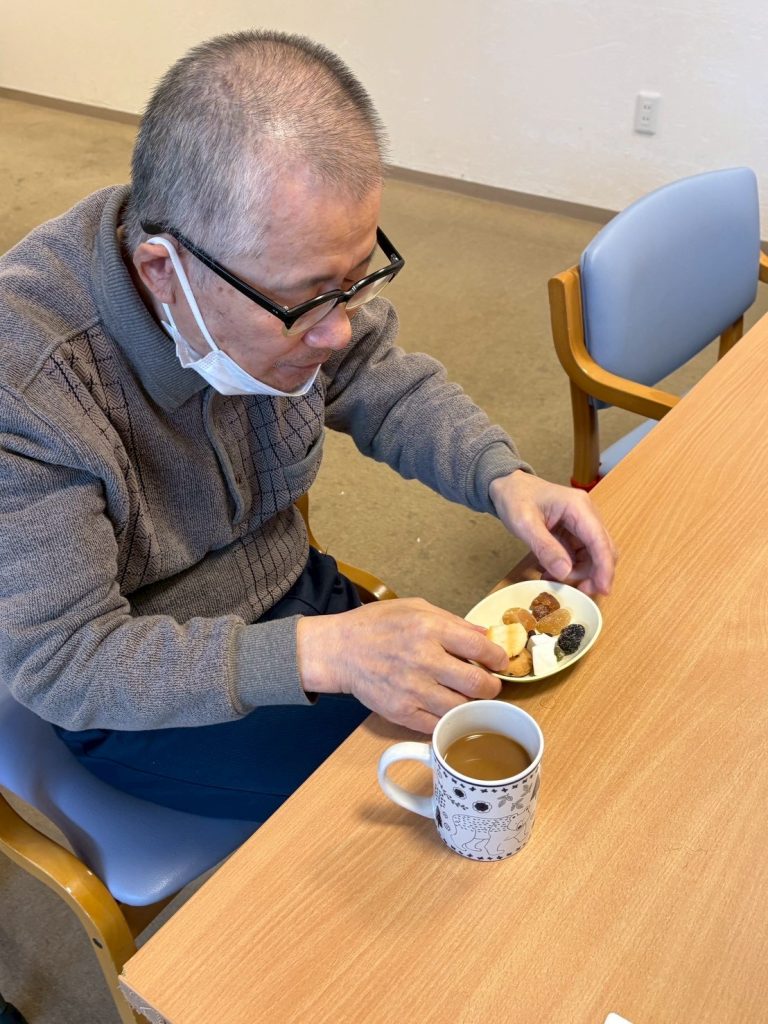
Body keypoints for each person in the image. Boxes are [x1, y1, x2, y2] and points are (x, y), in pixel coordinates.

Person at [0, 30, 616, 822]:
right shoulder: (28, 384)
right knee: (425, 806)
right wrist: (324, 652)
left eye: (357, 280)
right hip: (150, 694)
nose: (338, 329)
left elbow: (377, 375)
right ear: (162, 271)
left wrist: (503, 477)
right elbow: (67, 662)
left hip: (294, 594)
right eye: (310, 300)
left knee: (501, 736)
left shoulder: (268, 266)